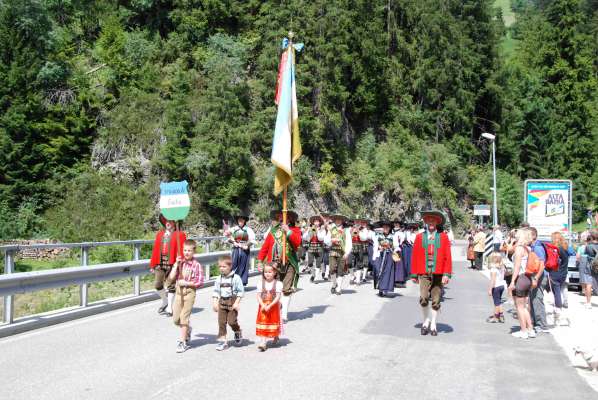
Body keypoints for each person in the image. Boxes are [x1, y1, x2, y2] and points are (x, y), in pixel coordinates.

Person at [410, 210, 452, 336]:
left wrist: (446, 274)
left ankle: (433, 324)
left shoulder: (443, 237)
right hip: (424, 272)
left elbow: (447, 257)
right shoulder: (419, 237)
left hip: (438, 273)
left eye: (433, 220)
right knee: (423, 298)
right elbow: (415, 256)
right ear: (426, 222)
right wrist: (414, 274)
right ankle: (425, 321)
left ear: (437, 222)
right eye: (429, 220)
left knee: (436, 300)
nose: (431, 222)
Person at [257, 210, 302, 322]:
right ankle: (274, 308)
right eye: (281, 218)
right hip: (274, 264)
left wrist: (288, 232)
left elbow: (298, 243)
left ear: (290, 219)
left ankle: (284, 314)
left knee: (286, 289)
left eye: (286, 218)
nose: (283, 220)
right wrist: (260, 261)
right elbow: (265, 247)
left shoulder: (295, 230)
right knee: (273, 287)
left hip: (289, 263)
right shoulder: (273, 231)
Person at [168, 239, 204, 353]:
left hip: (189, 293)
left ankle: (182, 342)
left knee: (184, 318)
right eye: (184, 250)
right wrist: (175, 265)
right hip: (179, 293)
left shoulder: (196, 265)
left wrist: (187, 283)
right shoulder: (180, 263)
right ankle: (187, 329)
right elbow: (171, 277)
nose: (186, 252)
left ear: (194, 251)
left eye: (189, 250)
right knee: (176, 319)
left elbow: (200, 281)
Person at [149, 214, 186, 316]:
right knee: (157, 285)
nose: (168, 223)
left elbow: (182, 250)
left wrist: (179, 264)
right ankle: (164, 301)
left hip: (172, 264)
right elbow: (155, 250)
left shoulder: (180, 234)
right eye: (166, 221)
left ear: (174, 223)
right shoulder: (160, 234)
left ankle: (170, 307)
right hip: (160, 264)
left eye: (170, 221)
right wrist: (152, 265)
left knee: (171, 285)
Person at [508, 228, 535, 339]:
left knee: (519, 307)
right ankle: (530, 329)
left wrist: (512, 282)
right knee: (524, 306)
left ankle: (523, 330)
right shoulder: (528, 249)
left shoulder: (519, 249)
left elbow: (517, 267)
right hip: (527, 278)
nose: (516, 236)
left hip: (520, 278)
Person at [212, 256, 244, 351]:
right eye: (220, 267)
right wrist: (215, 303)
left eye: (224, 266)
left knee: (231, 321)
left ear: (230, 266)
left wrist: (237, 303)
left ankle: (237, 331)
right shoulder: (218, 279)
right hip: (222, 302)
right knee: (221, 322)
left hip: (232, 302)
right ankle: (223, 341)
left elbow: (240, 292)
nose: (221, 269)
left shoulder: (236, 278)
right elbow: (216, 291)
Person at [256, 263, 283, 351]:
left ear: (274, 272)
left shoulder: (278, 283)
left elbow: (278, 296)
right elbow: (258, 296)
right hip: (263, 307)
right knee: (263, 322)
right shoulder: (260, 283)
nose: (267, 274)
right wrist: (263, 305)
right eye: (265, 272)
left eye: (270, 272)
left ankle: (275, 335)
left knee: (273, 321)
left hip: (273, 307)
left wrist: (271, 305)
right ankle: (263, 342)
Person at [324, 214, 352, 295]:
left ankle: (339, 288)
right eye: (336, 219)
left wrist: (347, 253)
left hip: (342, 252)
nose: (338, 221)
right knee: (332, 269)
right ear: (334, 220)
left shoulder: (346, 230)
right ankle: (334, 283)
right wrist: (331, 240)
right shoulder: (331, 229)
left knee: (340, 270)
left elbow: (349, 242)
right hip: (333, 251)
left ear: (342, 221)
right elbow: (326, 241)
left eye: (339, 220)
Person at [224, 214, 256, 286]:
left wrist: (247, 245)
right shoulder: (234, 229)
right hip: (235, 249)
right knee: (233, 265)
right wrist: (233, 242)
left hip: (244, 250)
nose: (240, 221)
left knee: (243, 265)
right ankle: (232, 281)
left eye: (242, 220)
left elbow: (252, 240)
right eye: (239, 220)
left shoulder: (248, 230)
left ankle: (241, 282)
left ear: (244, 221)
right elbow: (227, 237)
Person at [529, 227, 549, 333]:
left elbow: (542, 265)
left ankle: (542, 325)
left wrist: (536, 278)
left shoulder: (537, 248)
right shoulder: (533, 246)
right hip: (536, 276)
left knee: (537, 299)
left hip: (539, 277)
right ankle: (536, 322)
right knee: (533, 299)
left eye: (528, 235)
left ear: (533, 236)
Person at [548, 232, 569, 325]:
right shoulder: (564, 248)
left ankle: (558, 311)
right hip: (563, 273)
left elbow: (550, 262)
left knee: (556, 292)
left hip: (554, 273)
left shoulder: (555, 250)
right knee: (559, 290)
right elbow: (565, 262)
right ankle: (558, 310)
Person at [372, 220, 396, 297]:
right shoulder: (377, 235)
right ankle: (379, 287)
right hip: (380, 255)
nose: (385, 228)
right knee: (379, 270)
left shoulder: (393, 236)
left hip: (389, 256)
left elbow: (397, 246)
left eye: (387, 227)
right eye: (384, 227)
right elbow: (375, 246)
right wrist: (379, 249)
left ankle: (384, 289)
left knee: (387, 272)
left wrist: (392, 248)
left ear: (389, 228)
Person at [303, 215, 327, 283]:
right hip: (311, 247)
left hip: (319, 247)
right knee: (310, 263)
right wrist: (308, 231)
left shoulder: (322, 230)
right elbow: (305, 238)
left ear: (319, 222)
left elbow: (321, 238)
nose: (316, 223)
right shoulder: (310, 229)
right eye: (315, 221)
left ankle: (316, 277)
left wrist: (318, 231)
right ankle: (313, 275)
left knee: (318, 263)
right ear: (313, 222)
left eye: (317, 221)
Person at [486, 252, 506, 323]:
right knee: (499, 301)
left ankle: (495, 317)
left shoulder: (493, 269)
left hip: (496, 286)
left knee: (496, 303)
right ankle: (501, 315)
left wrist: (490, 289)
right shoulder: (502, 267)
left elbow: (493, 281)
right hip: (502, 285)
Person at [350, 217, 370, 285]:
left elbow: (364, 238)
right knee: (349, 263)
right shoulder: (351, 229)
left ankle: (358, 279)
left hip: (360, 247)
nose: (357, 222)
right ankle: (352, 276)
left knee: (359, 263)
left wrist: (359, 232)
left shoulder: (364, 230)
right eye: (356, 221)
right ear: (354, 222)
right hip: (351, 246)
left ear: (361, 222)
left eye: (358, 221)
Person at [578, 232, 594, 308]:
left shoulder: (583, 247)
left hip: (585, 263)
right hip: (594, 264)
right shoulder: (594, 246)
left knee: (586, 280)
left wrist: (578, 261)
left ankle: (585, 292)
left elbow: (578, 256)